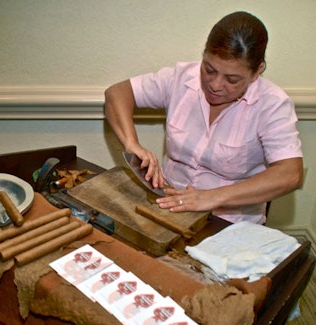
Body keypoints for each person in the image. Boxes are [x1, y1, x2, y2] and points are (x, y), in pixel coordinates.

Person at [104, 11, 303, 224]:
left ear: (257, 72)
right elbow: (116, 93)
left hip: (230, 223)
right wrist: (131, 143)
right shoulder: (180, 78)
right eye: (209, 69)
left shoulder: (272, 104)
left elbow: (290, 174)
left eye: (232, 79)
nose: (215, 85)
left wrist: (210, 197)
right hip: (168, 207)